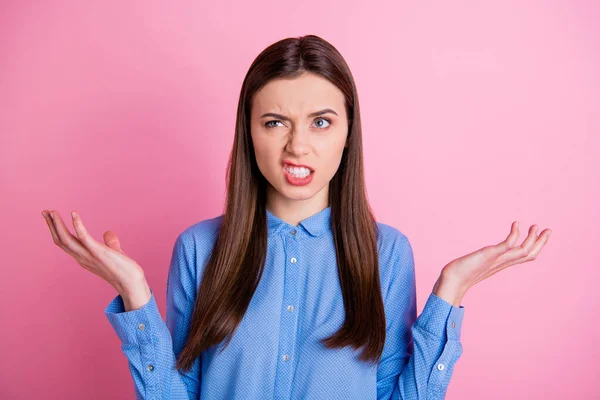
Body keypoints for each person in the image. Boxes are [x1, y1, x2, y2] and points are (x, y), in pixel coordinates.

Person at [41, 34, 551, 400]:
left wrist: (451, 292)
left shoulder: (387, 253)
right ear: (249, 132)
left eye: (321, 122)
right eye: (275, 121)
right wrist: (136, 297)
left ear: (348, 133)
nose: (297, 145)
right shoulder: (198, 248)